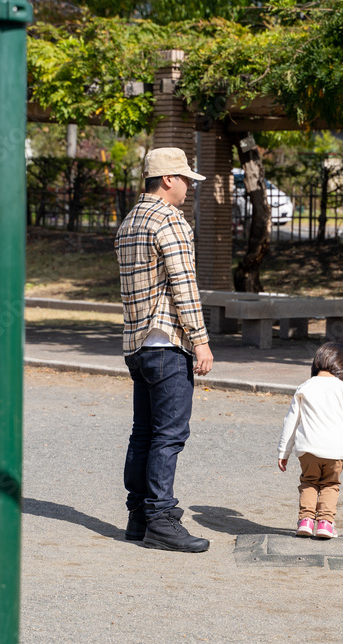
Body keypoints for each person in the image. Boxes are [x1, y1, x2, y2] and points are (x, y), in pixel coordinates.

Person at [115, 147, 214, 553]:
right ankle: (159, 517)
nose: (190, 187)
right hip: (167, 340)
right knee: (169, 435)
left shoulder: (129, 222)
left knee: (143, 433)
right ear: (167, 179)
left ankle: (139, 516)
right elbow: (183, 284)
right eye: (186, 179)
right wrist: (201, 340)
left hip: (137, 343)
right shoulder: (169, 220)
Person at [277, 342, 343, 539]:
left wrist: (283, 451)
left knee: (309, 481)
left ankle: (306, 520)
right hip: (334, 450)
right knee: (330, 484)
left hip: (307, 449)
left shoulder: (304, 387)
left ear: (317, 362)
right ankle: (325, 524)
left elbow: (290, 421)